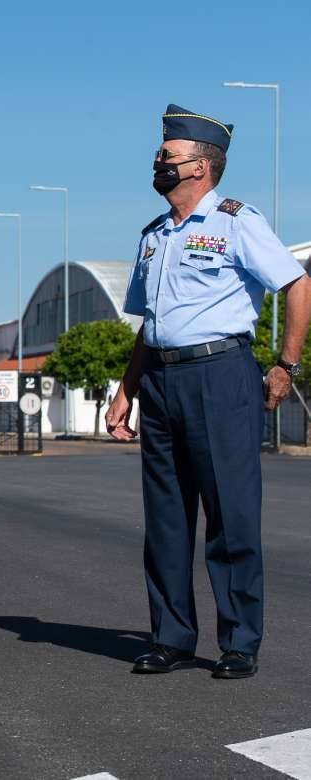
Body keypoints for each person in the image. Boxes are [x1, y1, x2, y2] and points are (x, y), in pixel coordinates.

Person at [107, 105, 311, 680]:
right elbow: (150, 322)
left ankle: (239, 641)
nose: (158, 163)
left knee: (232, 515)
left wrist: (285, 364)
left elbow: (298, 283)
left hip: (220, 374)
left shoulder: (236, 220)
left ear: (200, 166)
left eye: (167, 156)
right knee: (166, 518)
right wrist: (126, 390)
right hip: (161, 380)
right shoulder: (153, 236)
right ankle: (171, 636)